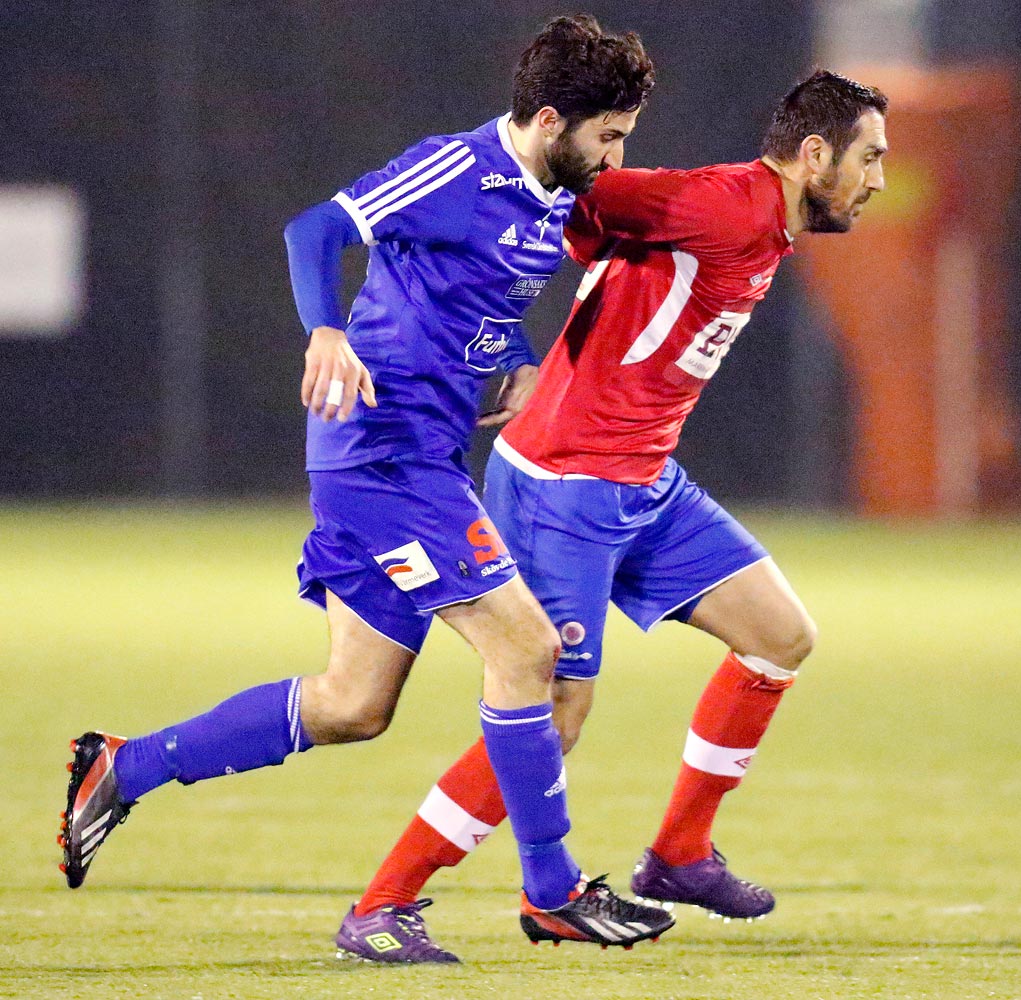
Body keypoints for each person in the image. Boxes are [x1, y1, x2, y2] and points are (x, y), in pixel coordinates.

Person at [60, 14, 677, 954]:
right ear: (551, 119)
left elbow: (476, 307)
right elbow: (315, 229)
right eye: (610, 134)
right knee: (526, 649)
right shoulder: (455, 169)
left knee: (354, 704)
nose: (617, 153)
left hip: (417, 454)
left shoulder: (553, 196)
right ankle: (551, 889)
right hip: (381, 457)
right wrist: (326, 331)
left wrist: (510, 366)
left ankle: (123, 767)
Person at [333, 70, 889, 963]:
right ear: (813, 154)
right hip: (564, 482)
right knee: (551, 709)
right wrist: (482, 321)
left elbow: (594, 231)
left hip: (643, 480)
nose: (878, 179)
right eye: (869, 158)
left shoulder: (768, 229)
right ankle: (381, 904)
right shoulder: (718, 203)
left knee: (779, 637)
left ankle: (677, 855)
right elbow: (568, 186)